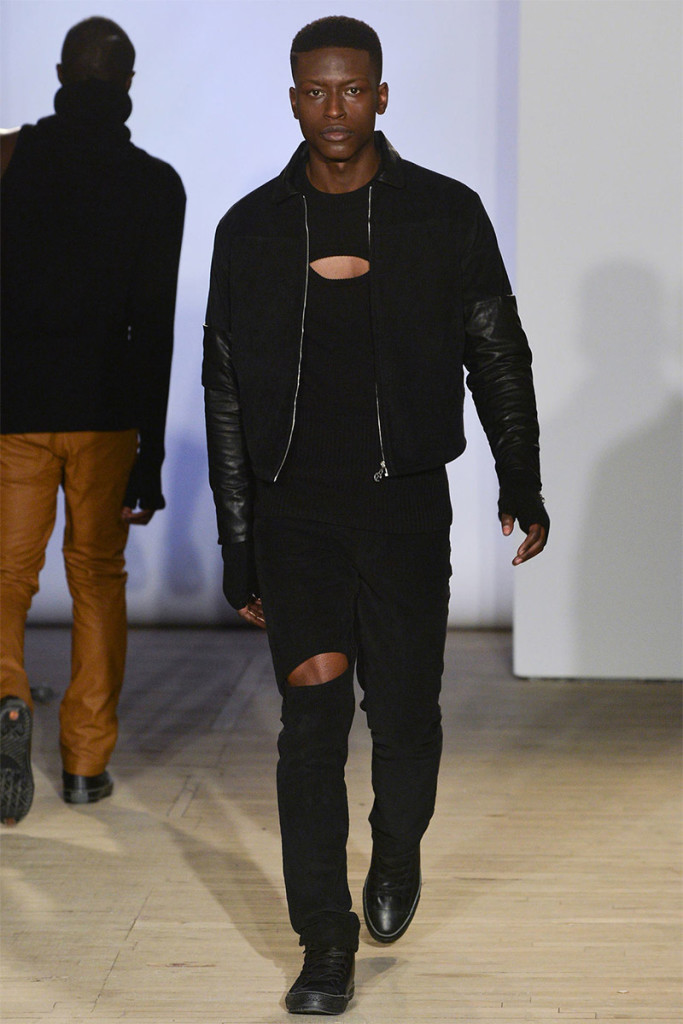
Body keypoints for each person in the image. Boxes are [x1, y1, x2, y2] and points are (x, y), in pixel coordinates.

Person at [203, 15, 548, 1015]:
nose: (333, 109)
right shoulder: (251, 228)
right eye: (315, 91)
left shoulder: (443, 214)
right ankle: (325, 940)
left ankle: (395, 848)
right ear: (291, 99)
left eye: (351, 89)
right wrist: (238, 539)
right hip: (294, 514)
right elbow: (224, 387)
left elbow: (496, 350)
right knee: (310, 726)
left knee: (402, 715)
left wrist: (518, 478)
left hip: (402, 508)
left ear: (382, 95)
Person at [0, 17, 185, 824]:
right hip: (107, 413)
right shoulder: (156, 184)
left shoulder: (6, 161)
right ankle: (84, 762)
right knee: (96, 578)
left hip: (14, 409)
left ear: (59, 74)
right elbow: (156, 326)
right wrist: (151, 456)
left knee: (6, 576)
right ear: (129, 84)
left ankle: (7, 700)